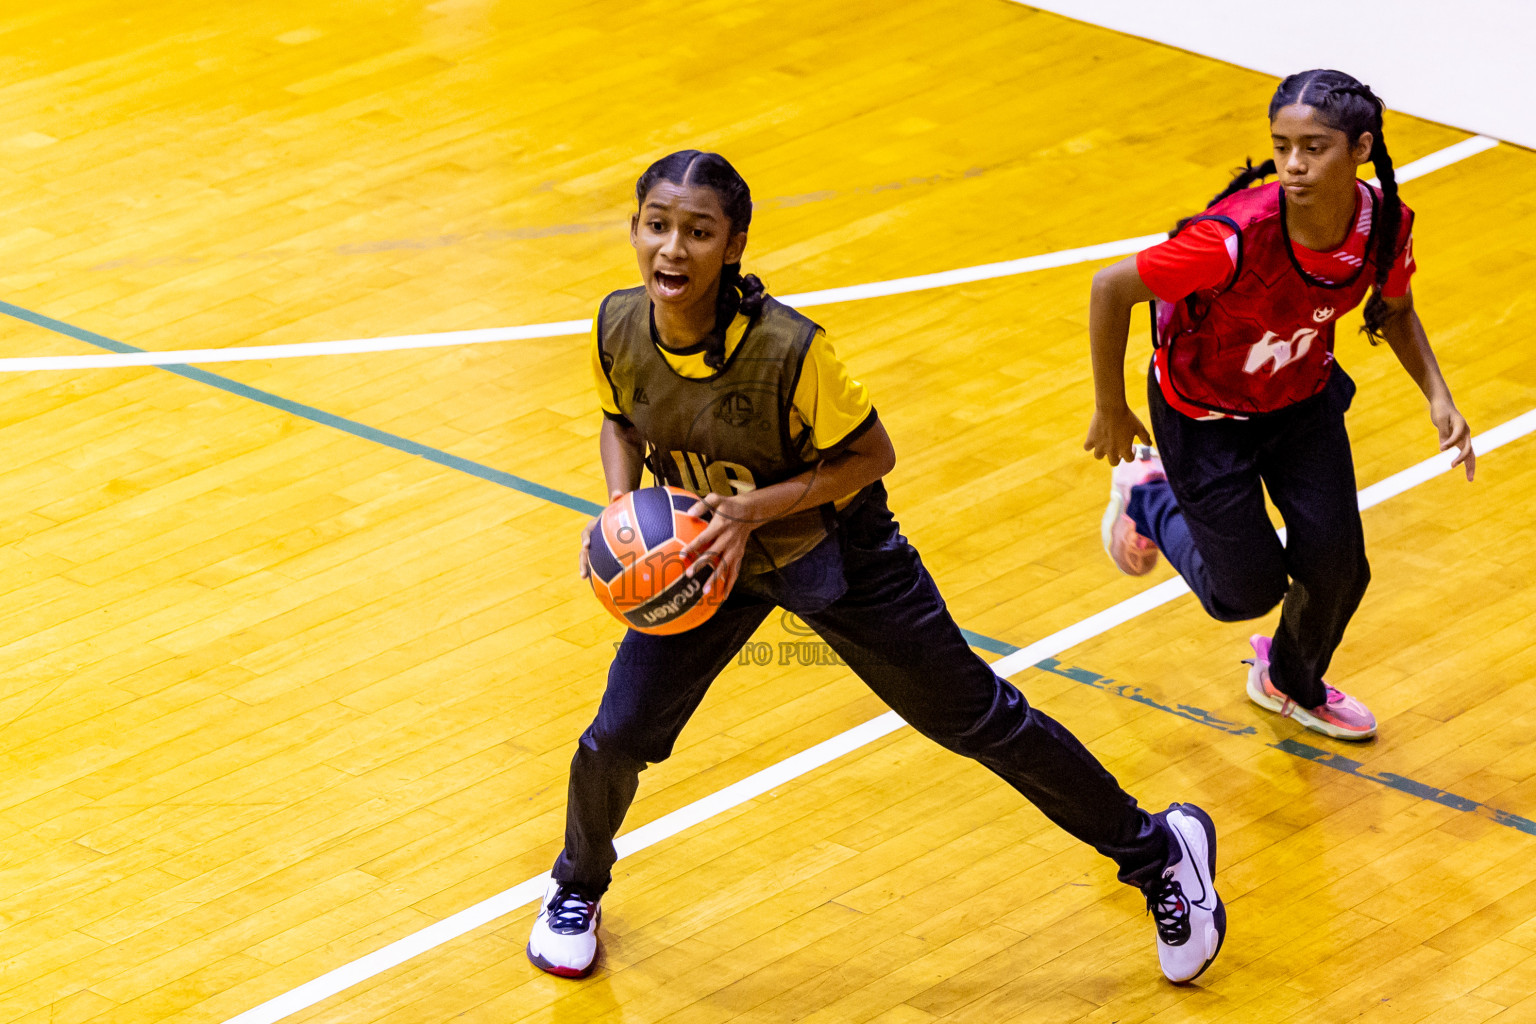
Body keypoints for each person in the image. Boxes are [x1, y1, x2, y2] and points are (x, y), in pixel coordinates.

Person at [526, 150, 1225, 985]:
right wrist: (620, 503)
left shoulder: (791, 351)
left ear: (734, 244)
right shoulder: (616, 324)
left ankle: (1162, 856)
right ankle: (576, 887)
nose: (672, 249)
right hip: (706, 557)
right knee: (615, 737)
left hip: (840, 552)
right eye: (657, 226)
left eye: (698, 232)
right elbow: (620, 421)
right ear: (636, 229)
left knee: (977, 722)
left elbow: (871, 456)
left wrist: (758, 508)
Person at [1085, 69, 1476, 742]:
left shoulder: (1383, 223)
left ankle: (1289, 683)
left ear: (1360, 148)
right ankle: (1149, 494)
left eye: (1314, 146)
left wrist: (1438, 396)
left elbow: (1396, 309)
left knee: (1339, 567)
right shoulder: (1232, 239)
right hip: (1205, 418)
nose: (1293, 164)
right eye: (1283, 144)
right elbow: (1111, 287)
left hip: (1299, 403)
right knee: (1244, 593)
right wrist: (1112, 408)